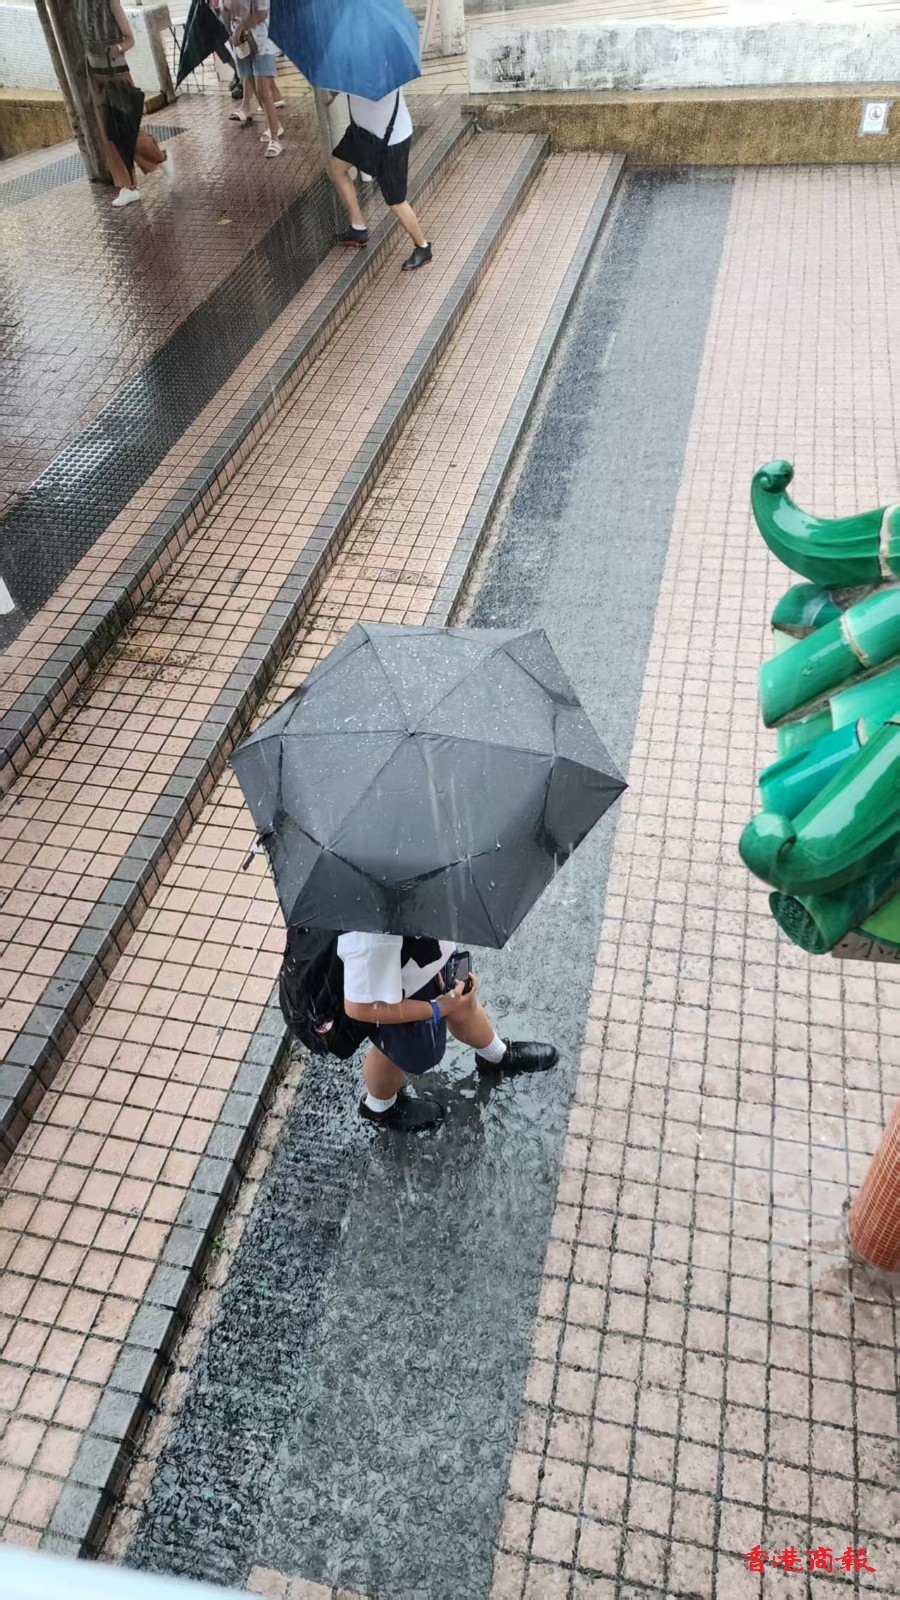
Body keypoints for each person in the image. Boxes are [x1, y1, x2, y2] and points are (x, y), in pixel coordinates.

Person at [339, 935, 559, 1131]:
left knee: (464, 1004)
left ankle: (495, 1056)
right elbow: (358, 1007)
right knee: (390, 1048)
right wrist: (436, 1008)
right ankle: (379, 1106)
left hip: (428, 958)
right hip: (395, 996)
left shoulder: (420, 905)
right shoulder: (365, 937)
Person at [327, 89, 432, 272]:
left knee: (395, 201)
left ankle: (423, 247)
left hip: (390, 141)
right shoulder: (353, 73)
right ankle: (358, 227)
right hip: (361, 133)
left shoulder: (382, 76)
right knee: (336, 167)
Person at [75, 0, 167, 206]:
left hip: (116, 76)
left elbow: (129, 39)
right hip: (95, 78)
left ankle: (161, 158)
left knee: (127, 131)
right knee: (109, 136)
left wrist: (116, 48)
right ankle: (128, 187)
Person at [222, 0, 283, 156]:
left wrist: (241, 28)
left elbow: (262, 13)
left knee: (263, 90)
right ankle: (275, 126)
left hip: (261, 40)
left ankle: (275, 139)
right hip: (241, 41)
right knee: (253, 86)